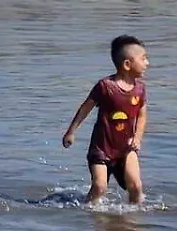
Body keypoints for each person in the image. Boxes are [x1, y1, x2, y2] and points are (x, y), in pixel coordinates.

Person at [62, 35, 150, 204]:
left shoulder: (140, 89)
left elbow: (142, 115)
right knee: (100, 187)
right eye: (143, 58)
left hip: (127, 147)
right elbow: (85, 108)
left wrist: (138, 138)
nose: (147, 63)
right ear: (127, 64)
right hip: (102, 148)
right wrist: (71, 132)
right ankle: (87, 212)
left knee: (136, 187)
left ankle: (132, 220)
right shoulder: (105, 86)